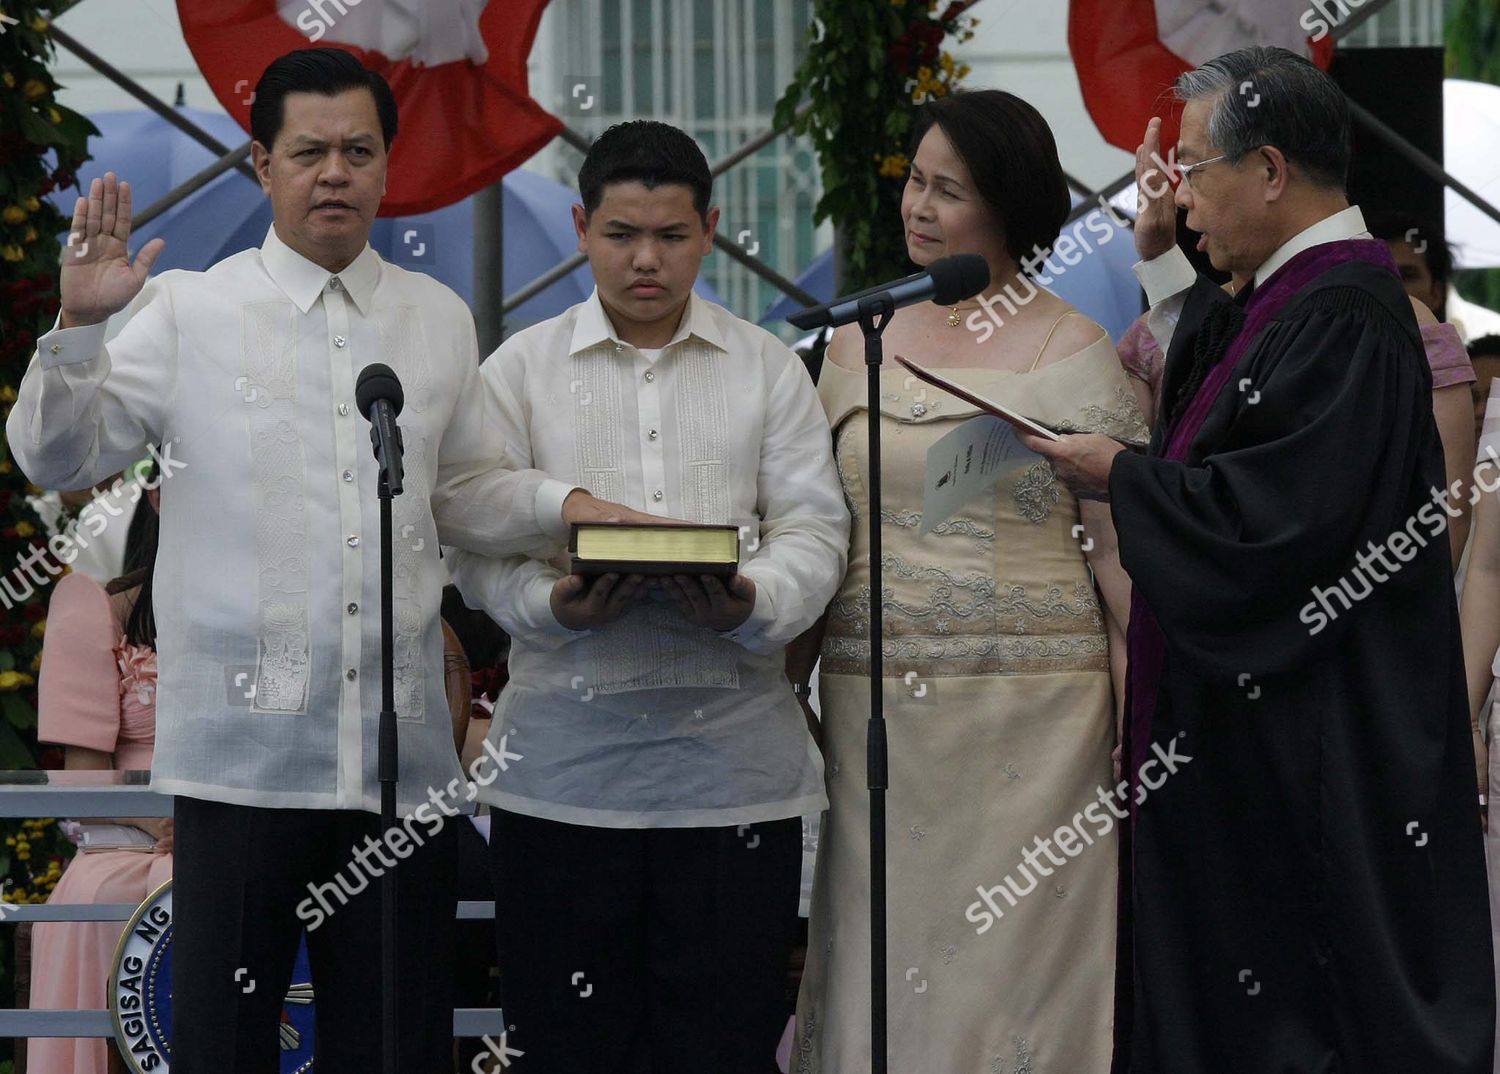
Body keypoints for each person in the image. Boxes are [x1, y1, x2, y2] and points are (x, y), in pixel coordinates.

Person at [6, 47, 641, 1073]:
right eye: (309, 152)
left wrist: (566, 507)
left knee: (392, 1045)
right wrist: (81, 326)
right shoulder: (190, 312)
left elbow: (467, 489)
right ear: (263, 166)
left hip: (399, 775)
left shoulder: (434, 319)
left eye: (357, 150)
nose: (334, 173)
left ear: (390, 166)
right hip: (242, 769)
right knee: (225, 1044)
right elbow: (56, 454)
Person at [1024, 46, 1493, 1072]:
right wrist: (1162, 258)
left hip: (1306, 759)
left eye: (1194, 170)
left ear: (1271, 171)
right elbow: (1214, 409)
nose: (1181, 194)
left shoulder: (1344, 317)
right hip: (1252, 754)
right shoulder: (1288, 298)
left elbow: (1273, 524)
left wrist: (1123, 476)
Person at [444, 120, 849, 1073]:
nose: (645, 260)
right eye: (622, 233)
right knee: (568, 1045)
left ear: (711, 228)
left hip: (733, 786)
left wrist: (751, 601)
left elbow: (818, 532)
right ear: (583, 226)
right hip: (562, 785)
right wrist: (555, 595)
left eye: (670, 235)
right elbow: (464, 518)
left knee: (722, 1048)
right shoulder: (520, 369)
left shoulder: (768, 368)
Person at [791, 89, 1146, 1073]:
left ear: (1011, 207)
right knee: (886, 959)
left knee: (1015, 981)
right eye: (916, 180)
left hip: (1039, 725)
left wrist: (1140, 710)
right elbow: (821, 533)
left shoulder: (1071, 349)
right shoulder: (861, 340)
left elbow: (1117, 560)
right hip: (880, 723)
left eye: (950, 190)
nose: (919, 206)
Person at [1119, 258, 1477, 569]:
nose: (1189, 207)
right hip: (1196, 597)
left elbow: (1445, 509)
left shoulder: (1394, 316)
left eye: (1201, 176)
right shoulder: (1160, 330)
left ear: (1273, 179)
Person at [27, 466, 167, 1074]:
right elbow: (83, 784)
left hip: (241, 835)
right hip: (125, 846)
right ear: (160, 497)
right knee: (108, 897)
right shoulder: (98, 607)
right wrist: (168, 822)